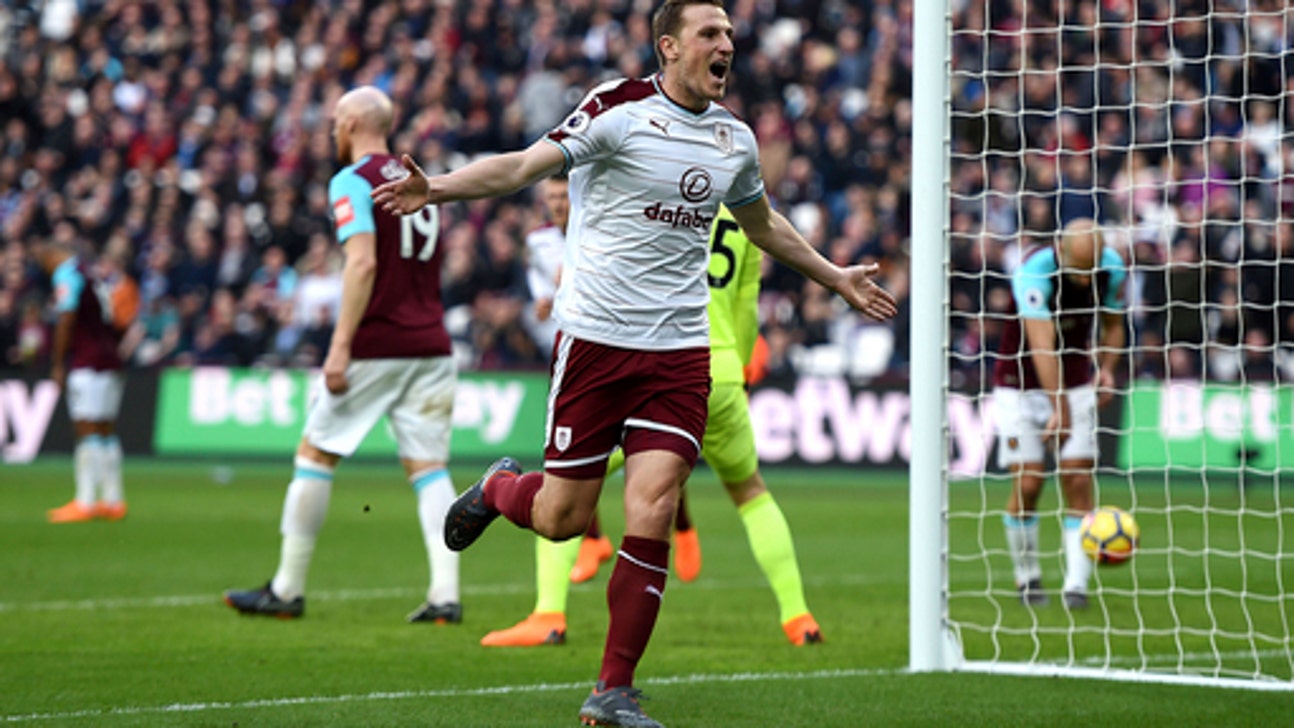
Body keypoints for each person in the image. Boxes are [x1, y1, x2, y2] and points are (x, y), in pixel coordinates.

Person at [372, 2, 897, 725]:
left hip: (680, 353)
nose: (727, 46)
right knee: (562, 518)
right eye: (711, 35)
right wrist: (439, 187)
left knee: (650, 506)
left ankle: (610, 690)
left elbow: (761, 222)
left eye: (731, 36)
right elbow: (525, 166)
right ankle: (500, 489)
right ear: (670, 45)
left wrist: (833, 274)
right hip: (597, 341)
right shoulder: (617, 110)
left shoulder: (732, 139)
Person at [480, 206, 821, 650]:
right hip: (720, 370)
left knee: (565, 485)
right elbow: (745, 309)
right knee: (751, 494)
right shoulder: (744, 212)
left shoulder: (664, 197)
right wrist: (736, 370)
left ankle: (549, 612)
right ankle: (799, 618)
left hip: (663, 369)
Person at [223, 86, 462, 625]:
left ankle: (286, 589)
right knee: (428, 468)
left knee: (315, 454)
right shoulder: (419, 179)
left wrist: (339, 347)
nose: (332, 129)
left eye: (335, 120)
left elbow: (361, 264)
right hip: (431, 342)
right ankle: (445, 596)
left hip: (377, 342)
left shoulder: (352, 181)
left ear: (353, 122)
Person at [993, 217, 1127, 611]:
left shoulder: (1111, 269)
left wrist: (1106, 366)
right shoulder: (1034, 272)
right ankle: (1027, 576)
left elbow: (1114, 325)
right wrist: (1059, 409)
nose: (1086, 281)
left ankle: (1076, 587)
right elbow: (1042, 345)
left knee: (1078, 480)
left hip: (1076, 382)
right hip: (1018, 387)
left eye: (1091, 271)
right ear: (1060, 249)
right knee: (1030, 484)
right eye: (1078, 272)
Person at [36, 242, 131, 523]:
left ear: (55, 255)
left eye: (46, 263)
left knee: (86, 428)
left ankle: (86, 501)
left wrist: (57, 362)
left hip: (87, 361)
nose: (48, 270)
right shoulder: (94, 275)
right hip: (111, 359)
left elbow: (67, 318)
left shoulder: (68, 274)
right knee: (105, 430)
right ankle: (114, 500)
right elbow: (115, 319)